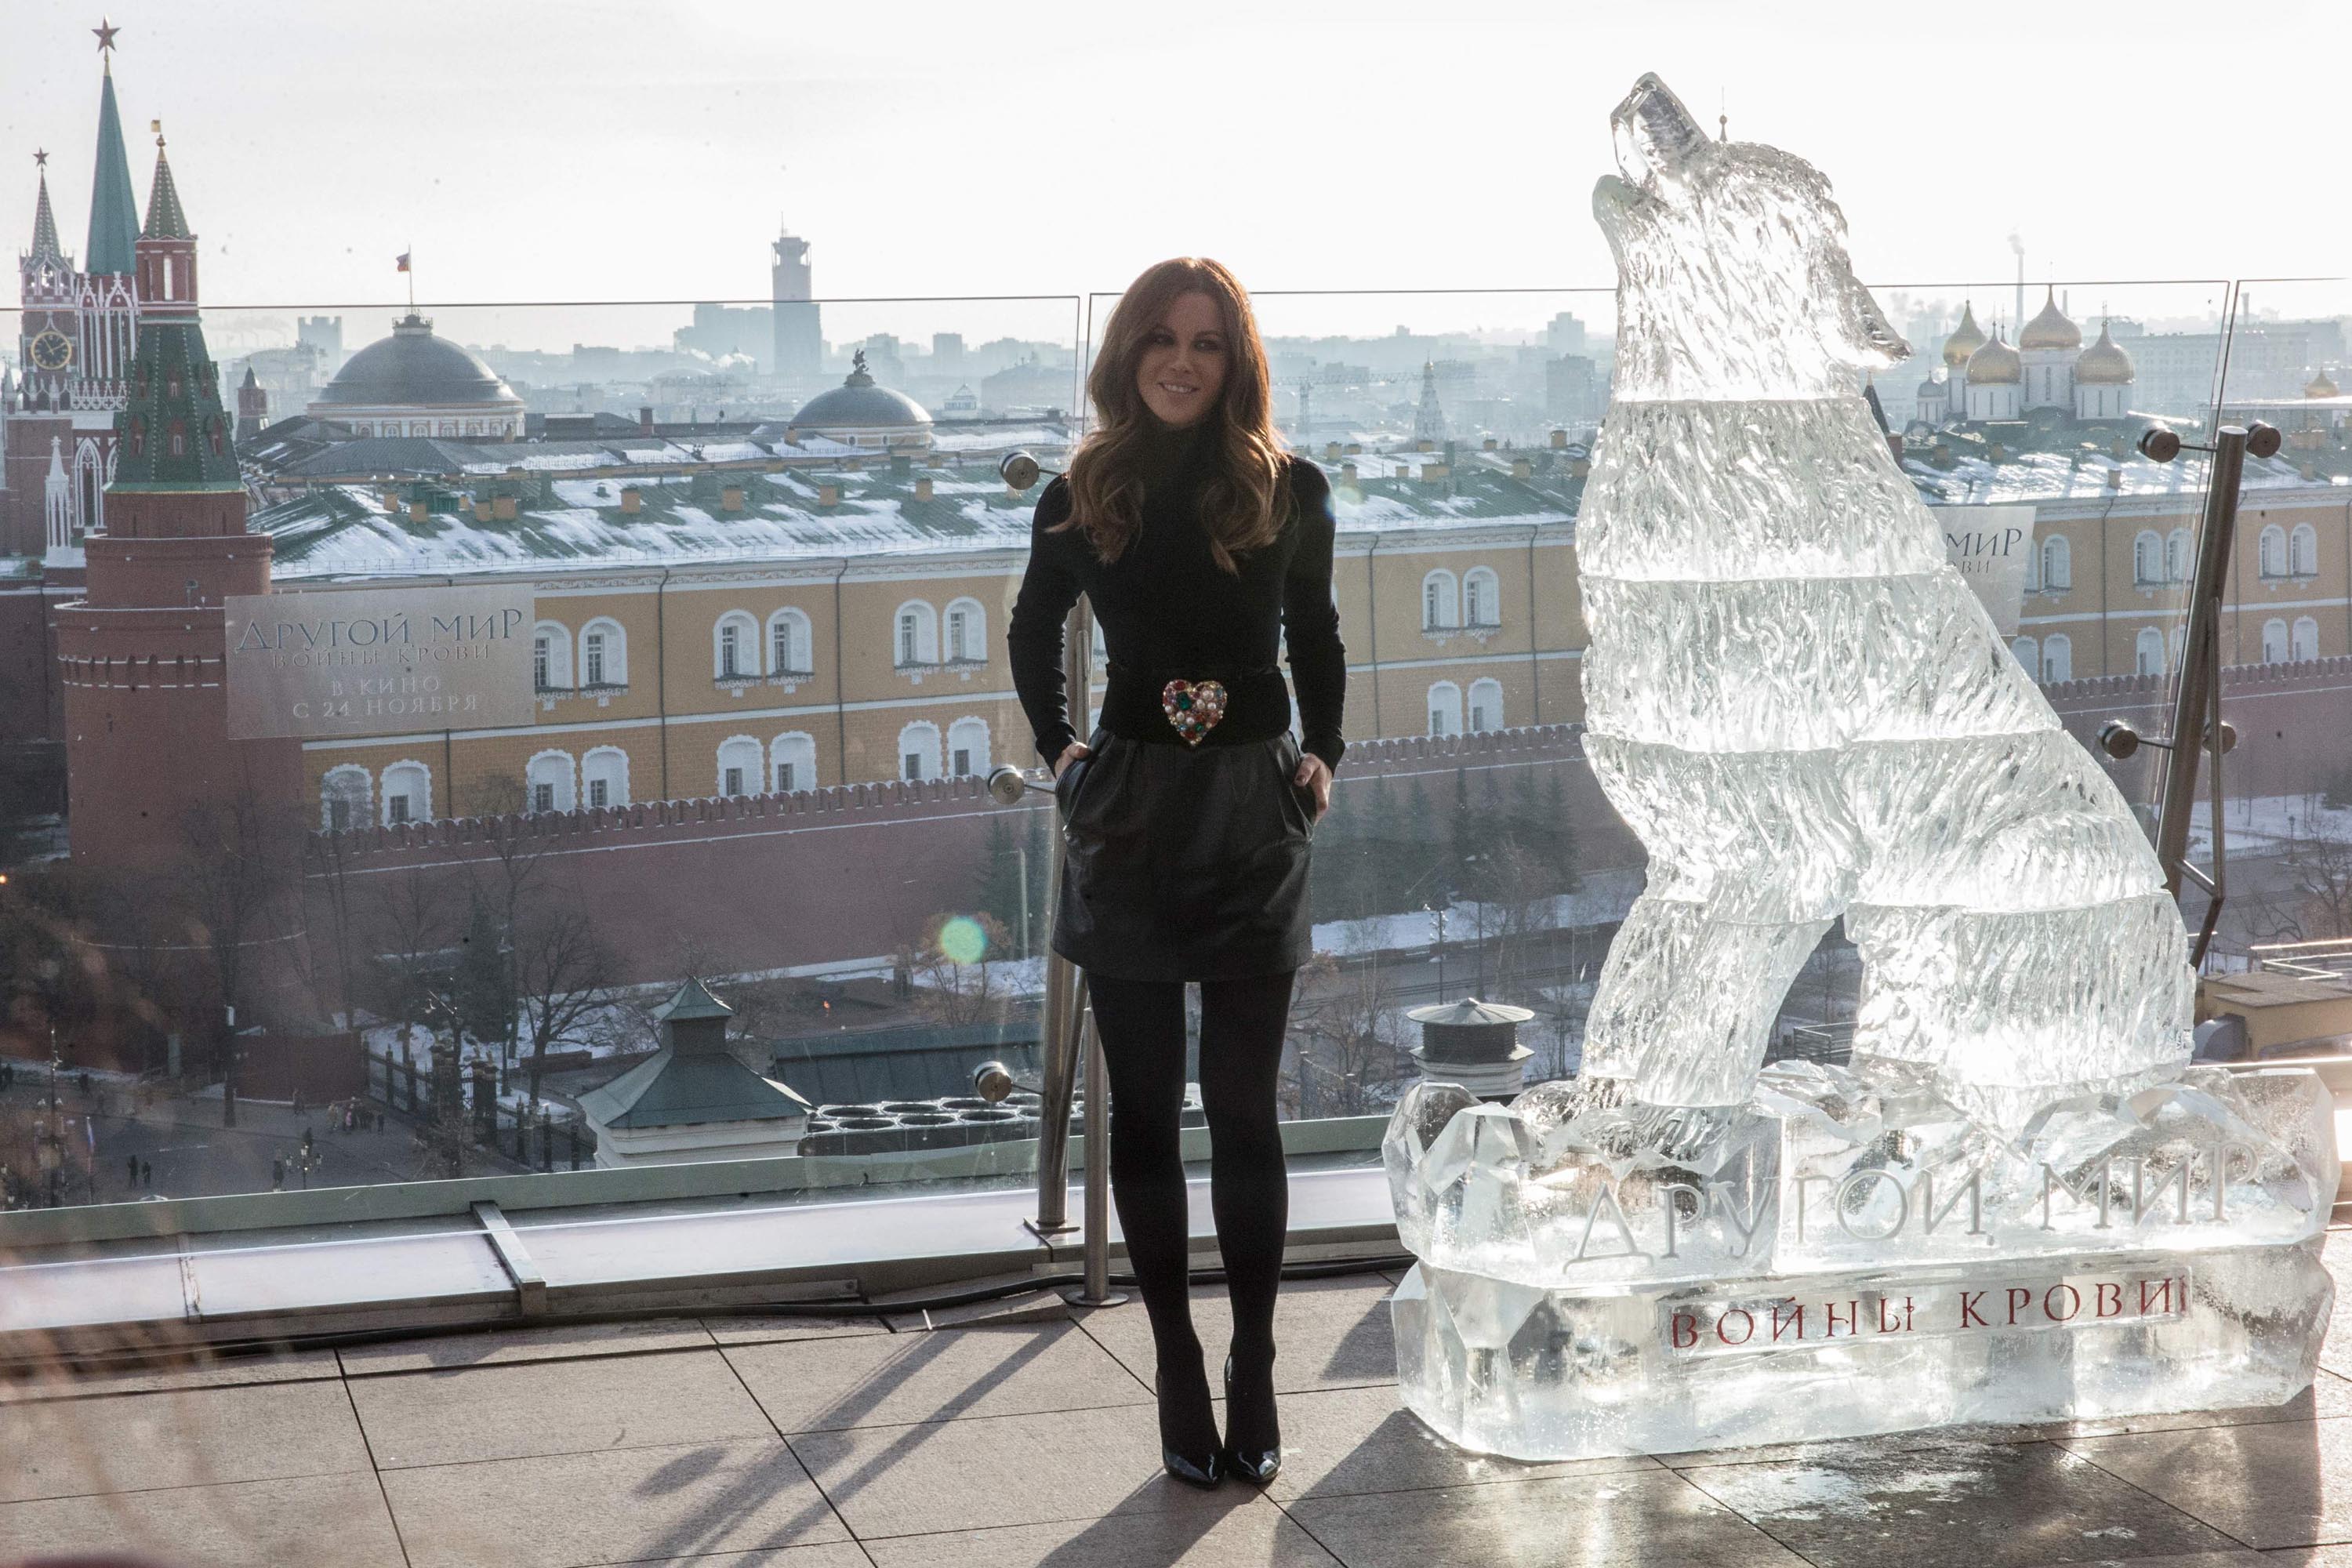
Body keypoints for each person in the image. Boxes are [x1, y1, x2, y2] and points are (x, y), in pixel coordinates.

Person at [1007, 256, 1345, 1490]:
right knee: (1145, 1119)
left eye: (1208, 342)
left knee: (1245, 1111)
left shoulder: (1289, 487)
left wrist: (1326, 758)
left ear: (1236, 358)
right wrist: (1062, 755)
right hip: (1131, 818)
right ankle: (1175, 1362)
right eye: (1162, 338)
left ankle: (1254, 1359)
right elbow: (1031, 627)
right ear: (1128, 355)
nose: (1184, 361)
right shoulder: (1084, 489)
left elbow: (1314, 632)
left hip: (1253, 814)